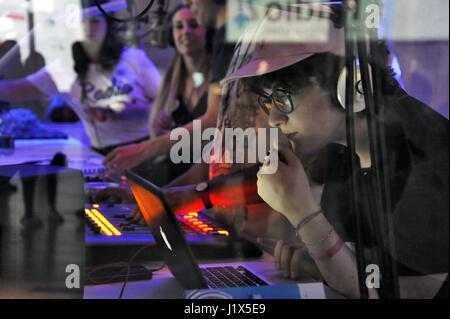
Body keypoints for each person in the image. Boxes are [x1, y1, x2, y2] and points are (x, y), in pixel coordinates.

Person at [217, 18, 449, 298]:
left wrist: (304, 216)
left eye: (283, 97)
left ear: (350, 85)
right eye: (268, 102)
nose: (275, 118)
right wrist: (322, 257)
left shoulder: (428, 157)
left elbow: (394, 294)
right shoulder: (342, 149)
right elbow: (372, 266)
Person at [0, 3, 161, 155]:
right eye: (81, 21)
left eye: (95, 21)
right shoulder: (63, 70)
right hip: (103, 153)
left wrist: (137, 110)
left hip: (145, 146)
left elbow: (164, 102)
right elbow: (11, 91)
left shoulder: (133, 58)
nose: (88, 28)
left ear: (108, 25)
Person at [105, 0, 234, 173]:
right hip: (179, 174)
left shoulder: (222, 67)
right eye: (179, 26)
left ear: (207, 32)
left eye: (193, 24)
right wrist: (161, 135)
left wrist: (143, 149)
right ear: (171, 35)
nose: (186, 31)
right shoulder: (170, 82)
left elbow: (214, 123)